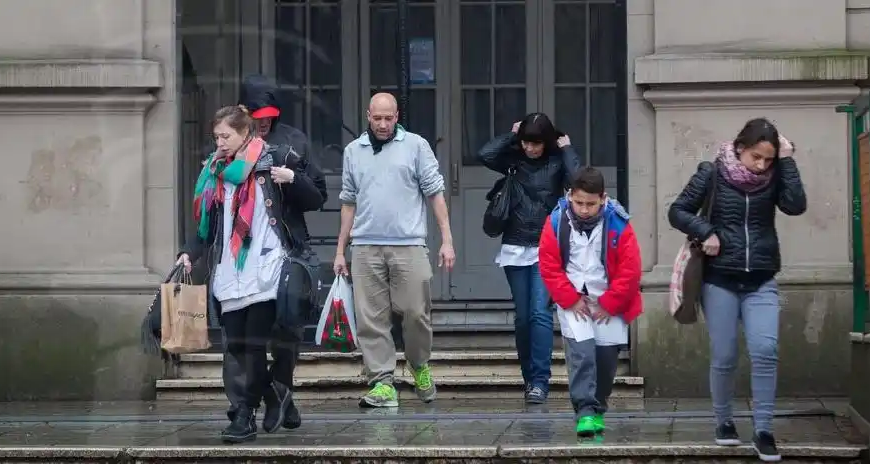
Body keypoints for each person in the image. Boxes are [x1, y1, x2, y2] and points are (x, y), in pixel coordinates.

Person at [177, 105, 328, 443]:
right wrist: (189, 253)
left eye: (226, 136)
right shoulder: (215, 172)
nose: (220, 143)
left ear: (246, 133)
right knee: (238, 347)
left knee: (253, 343)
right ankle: (275, 396)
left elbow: (317, 197)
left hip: (267, 266)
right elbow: (206, 226)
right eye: (216, 136)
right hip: (230, 269)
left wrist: (293, 179)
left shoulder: (275, 158)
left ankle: (244, 416)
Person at [667, 118, 806, 462]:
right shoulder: (711, 172)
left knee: (765, 351)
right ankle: (724, 421)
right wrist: (706, 231)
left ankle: (763, 431)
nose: (761, 165)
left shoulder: (775, 175)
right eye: (757, 157)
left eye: (768, 159)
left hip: (760, 277)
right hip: (720, 279)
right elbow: (678, 210)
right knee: (725, 354)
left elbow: (795, 205)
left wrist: (787, 161)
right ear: (740, 148)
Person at [333, 93, 455, 408]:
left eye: (389, 118)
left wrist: (447, 239)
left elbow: (435, 194)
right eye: (378, 118)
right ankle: (382, 382)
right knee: (370, 319)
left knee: (416, 312)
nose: (384, 124)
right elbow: (348, 201)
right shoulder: (353, 151)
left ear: (397, 115)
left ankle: (418, 363)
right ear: (367, 116)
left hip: (409, 243)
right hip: (365, 245)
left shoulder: (416, 145)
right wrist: (339, 250)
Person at [476, 113, 581, 403]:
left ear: (546, 141)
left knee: (539, 313)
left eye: (535, 143)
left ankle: (540, 381)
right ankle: (529, 378)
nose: (530, 149)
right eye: (525, 143)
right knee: (523, 318)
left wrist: (568, 148)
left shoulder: (558, 161)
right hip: (515, 245)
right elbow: (484, 155)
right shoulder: (514, 158)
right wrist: (511, 137)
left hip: (546, 247)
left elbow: (578, 182)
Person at [538, 167, 642, 437]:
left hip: (609, 301)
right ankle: (584, 410)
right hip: (574, 299)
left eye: (591, 204)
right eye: (579, 202)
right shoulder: (556, 221)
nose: (584, 209)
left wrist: (610, 303)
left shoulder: (619, 223)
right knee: (581, 353)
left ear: (603, 199)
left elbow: (630, 269)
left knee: (606, 360)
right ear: (570, 195)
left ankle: (598, 407)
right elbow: (549, 265)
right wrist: (569, 299)